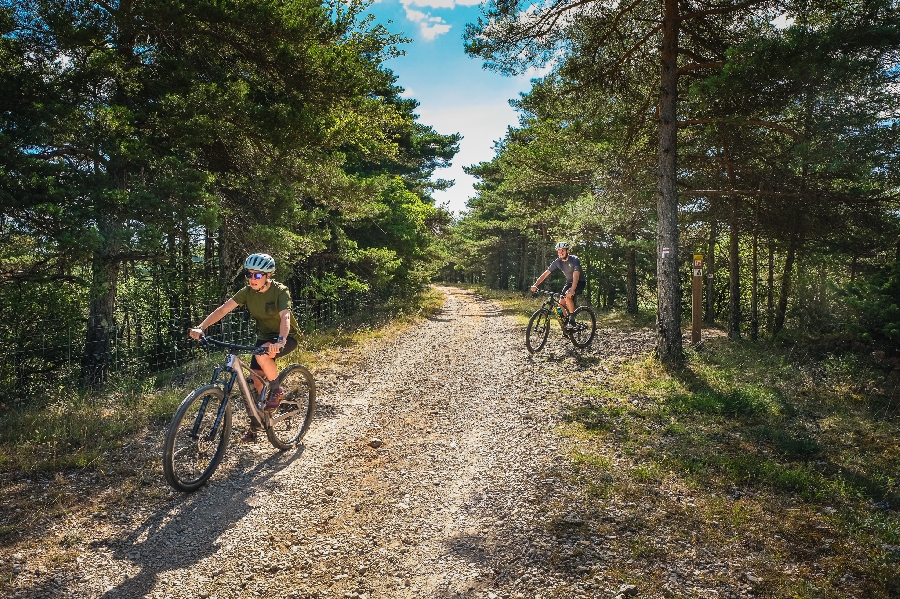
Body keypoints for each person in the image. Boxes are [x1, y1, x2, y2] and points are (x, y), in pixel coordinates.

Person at [189, 253, 301, 442]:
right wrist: (201, 327)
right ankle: (257, 424)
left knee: (263, 356)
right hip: (264, 337)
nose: (252, 279)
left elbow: (285, 317)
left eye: (257, 275)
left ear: (268, 275)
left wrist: (280, 341)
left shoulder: (280, 291)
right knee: (255, 381)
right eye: (249, 275)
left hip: (286, 336)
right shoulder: (247, 292)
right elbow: (223, 310)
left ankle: (276, 389)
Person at [530, 242, 584, 330]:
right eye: (559, 251)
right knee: (560, 306)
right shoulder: (557, 262)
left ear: (567, 251)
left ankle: (572, 320)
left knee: (567, 296)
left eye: (563, 250)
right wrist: (535, 285)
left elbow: (576, 275)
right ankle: (566, 324)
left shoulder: (574, 260)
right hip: (569, 282)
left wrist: (572, 289)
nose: (561, 253)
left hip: (579, 282)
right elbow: (545, 274)